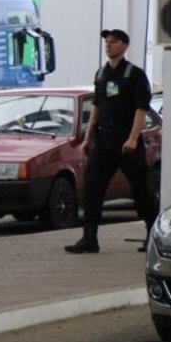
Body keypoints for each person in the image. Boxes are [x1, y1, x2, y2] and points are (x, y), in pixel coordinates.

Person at [65, 29, 160, 254]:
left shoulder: (134, 74)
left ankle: (153, 235)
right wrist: (88, 138)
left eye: (113, 42)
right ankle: (89, 238)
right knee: (92, 188)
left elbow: (141, 108)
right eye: (107, 42)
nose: (108, 45)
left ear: (125, 46)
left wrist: (134, 138)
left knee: (141, 190)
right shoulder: (101, 74)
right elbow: (96, 106)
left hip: (128, 143)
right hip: (104, 141)